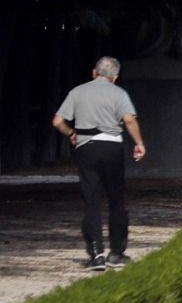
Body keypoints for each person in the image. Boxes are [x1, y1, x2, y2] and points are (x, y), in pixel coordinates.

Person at [51, 57, 147, 271]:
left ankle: (96, 254)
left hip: (86, 147)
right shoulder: (119, 93)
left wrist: (71, 133)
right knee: (116, 200)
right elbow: (129, 120)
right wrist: (139, 143)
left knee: (91, 200)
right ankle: (116, 252)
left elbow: (57, 121)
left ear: (94, 72)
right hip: (112, 147)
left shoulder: (77, 92)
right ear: (114, 78)